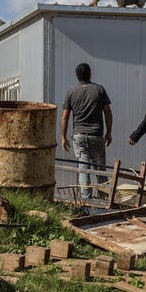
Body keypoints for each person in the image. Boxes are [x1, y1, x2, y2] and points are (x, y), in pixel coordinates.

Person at [60, 63, 113, 198]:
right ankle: (104, 199)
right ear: (90, 74)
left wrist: (63, 137)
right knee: (101, 170)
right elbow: (107, 112)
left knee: (83, 170)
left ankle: (86, 202)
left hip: (79, 136)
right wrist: (109, 132)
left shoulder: (71, 92)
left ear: (77, 76)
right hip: (96, 136)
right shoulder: (99, 90)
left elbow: (65, 117)